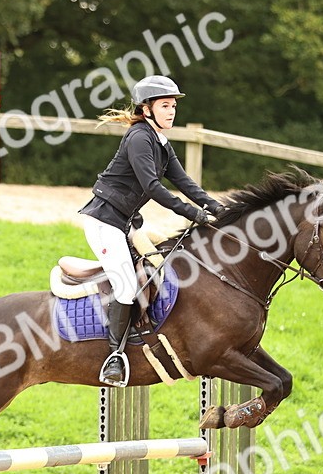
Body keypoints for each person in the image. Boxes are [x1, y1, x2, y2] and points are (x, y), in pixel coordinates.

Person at [78, 75, 223, 387]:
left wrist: (216, 208)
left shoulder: (160, 141)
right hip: (104, 223)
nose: (171, 112)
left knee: (159, 266)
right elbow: (153, 188)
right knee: (127, 286)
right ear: (147, 109)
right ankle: (114, 358)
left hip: (125, 223)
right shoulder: (139, 138)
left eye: (173, 106)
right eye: (165, 106)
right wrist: (192, 213)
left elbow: (184, 182)